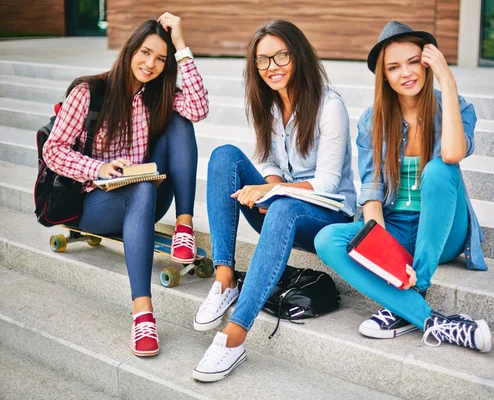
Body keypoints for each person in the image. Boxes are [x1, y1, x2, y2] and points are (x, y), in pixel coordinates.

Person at [191, 20, 356, 382]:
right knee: (224, 156)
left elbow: (328, 185)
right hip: (282, 210)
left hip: (327, 219)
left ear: (298, 56)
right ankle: (224, 278)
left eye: (281, 56)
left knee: (282, 205)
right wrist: (272, 184)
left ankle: (234, 336)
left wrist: (272, 192)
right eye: (262, 60)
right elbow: (267, 162)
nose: (272, 67)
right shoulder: (267, 106)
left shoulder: (329, 107)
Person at [314, 21, 492, 352]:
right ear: (383, 76)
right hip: (396, 226)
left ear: (427, 62)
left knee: (439, 169)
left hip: (443, 232)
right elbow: (372, 191)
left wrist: (448, 82)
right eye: (393, 67)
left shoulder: (455, 107)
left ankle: (417, 287)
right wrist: (384, 257)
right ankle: (432, 321)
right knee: (327, 239)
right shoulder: (373, 120)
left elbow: (453, 153)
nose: (405, 73)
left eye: (413, 62)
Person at [43, 13, 209, 357]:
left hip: (146, 193)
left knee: (182, 124)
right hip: (94, 205)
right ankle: (143, 314)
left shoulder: (156, 95)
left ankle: (184, 225)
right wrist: (100, 168)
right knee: (141, 187)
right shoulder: (89, 92)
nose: (151, 64)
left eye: (161, 59)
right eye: (145, 53)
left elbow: (198, 107)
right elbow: (53, 151)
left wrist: (181, 46)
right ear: (130, 49)